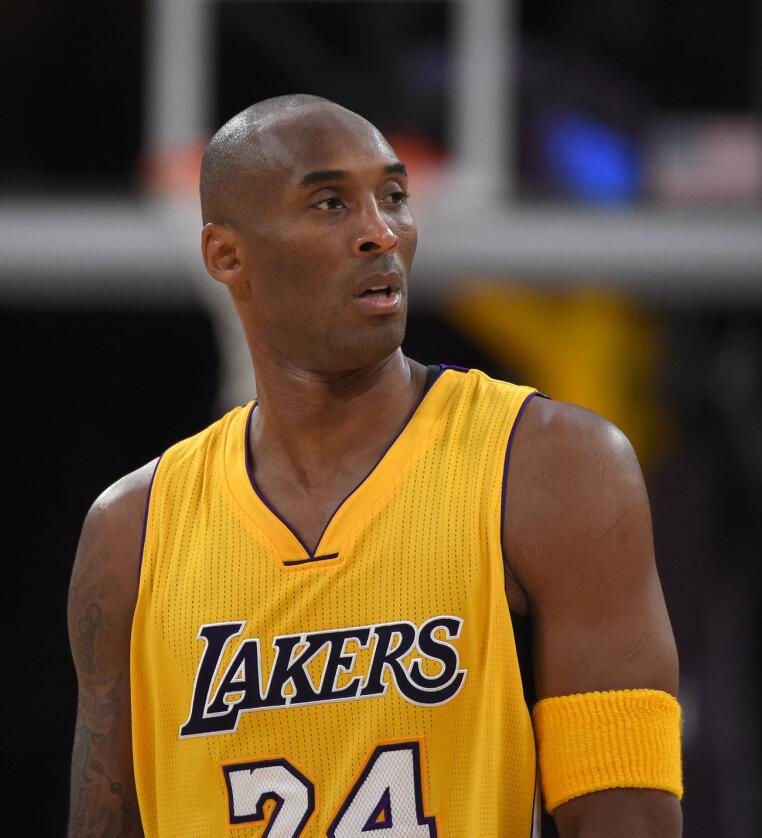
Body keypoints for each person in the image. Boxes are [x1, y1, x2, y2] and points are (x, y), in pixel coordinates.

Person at [66, 94, 682, 838]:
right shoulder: (131, 533)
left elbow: (631, 817)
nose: (380, 232)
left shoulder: (554, 469)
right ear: (226, 257)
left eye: (393, 197)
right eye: (330, 204)